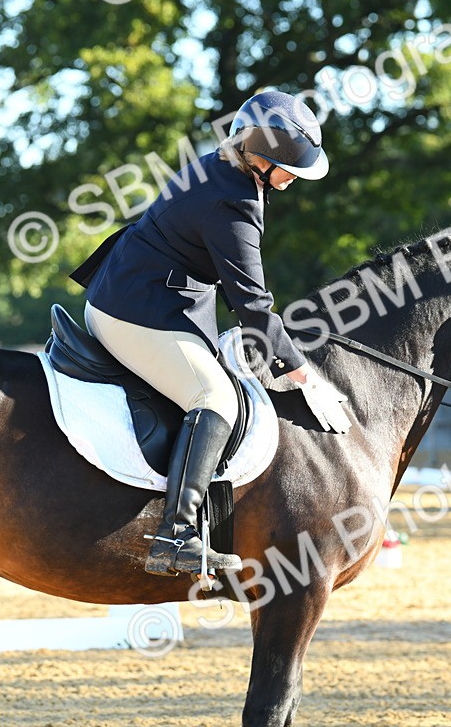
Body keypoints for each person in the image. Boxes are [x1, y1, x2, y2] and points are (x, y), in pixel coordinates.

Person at [70, 90, 351, 577]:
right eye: (289, 171)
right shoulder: (232, 199)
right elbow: (255, 307)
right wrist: (304, 373)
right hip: (136, 312)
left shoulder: (218, 167)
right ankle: (173, 536)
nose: (292, 182)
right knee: (215, 396)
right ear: (261, 157)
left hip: (140, 294)